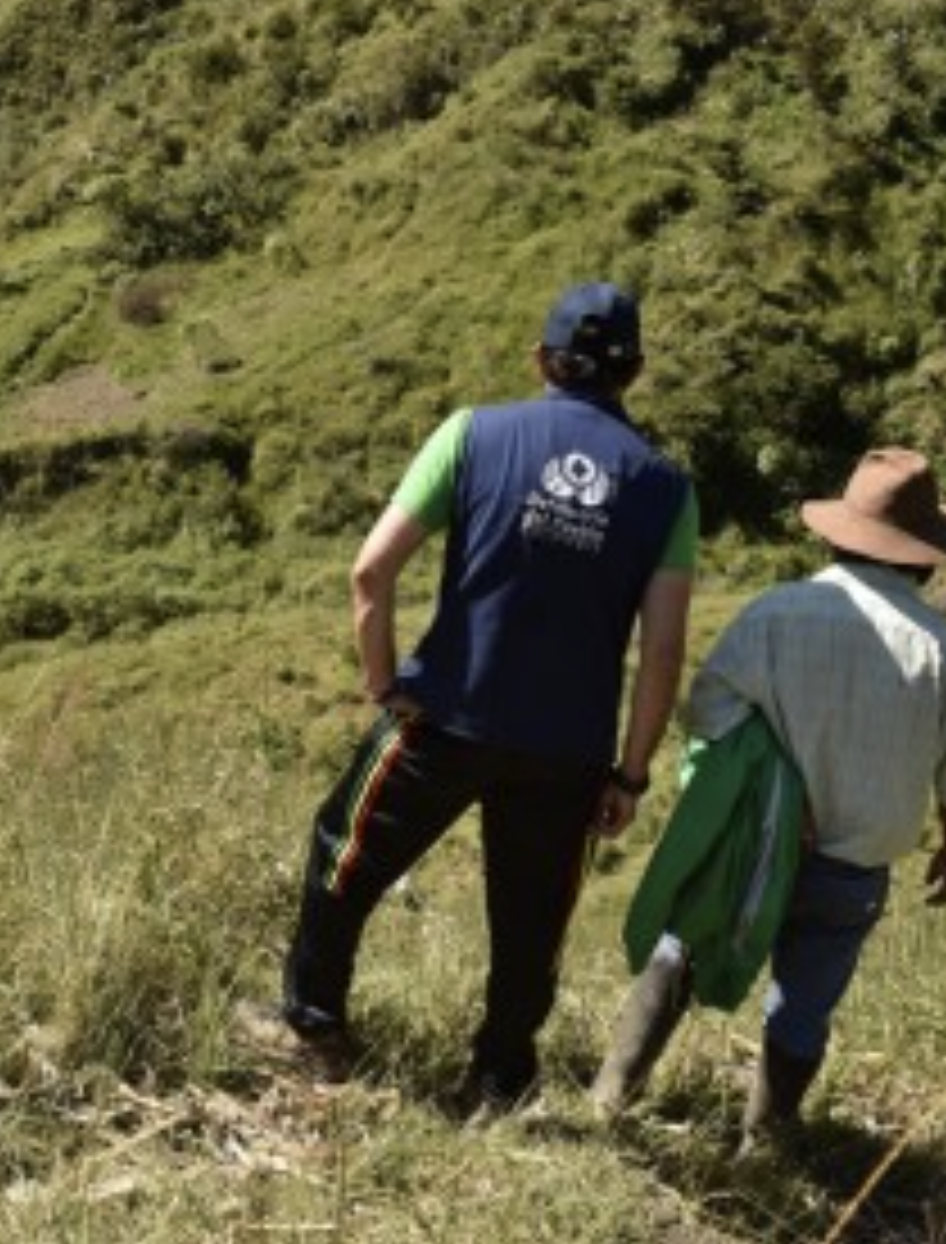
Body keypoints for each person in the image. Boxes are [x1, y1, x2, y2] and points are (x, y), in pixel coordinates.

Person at [257, 281, 699, 1119]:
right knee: (531, 926)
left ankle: (315, 1025)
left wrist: (385, 682)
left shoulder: (473, 435)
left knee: (344, 852)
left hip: (445, 715)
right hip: (567, 749)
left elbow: (369, 572)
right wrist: (631, 775)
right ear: (633, 373)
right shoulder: (667, 490)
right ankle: (498, 1080)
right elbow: (664, 651)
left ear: (541, 359)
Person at [588, 447, 946, 1154]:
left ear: (833, 535)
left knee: (684, 947)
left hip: (750, 843)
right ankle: (766, 1136)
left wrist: (775, 790)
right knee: (806, 1000)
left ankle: (612, 1095)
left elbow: (708, 709)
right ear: (928, 559)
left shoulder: (776, 613)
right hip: (853, 868)